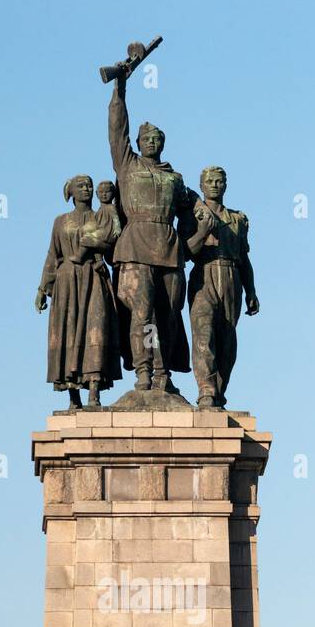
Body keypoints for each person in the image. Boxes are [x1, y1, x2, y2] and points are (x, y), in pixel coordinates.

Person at [107, 72, 192, 392]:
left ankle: (163, 370)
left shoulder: (176, 178)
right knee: (142, 314)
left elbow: (190, 215)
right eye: (146, 139)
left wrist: (191, 241)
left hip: (169, 249)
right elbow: (117, 132)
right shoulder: (128, 165)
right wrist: (120, 90)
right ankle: (144, 370)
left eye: (157, 138)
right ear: (139, 144)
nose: (151, 142)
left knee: (169, 315)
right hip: (135, 246)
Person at [35, 175, 122, 408]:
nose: (86, 189)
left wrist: (97, 249)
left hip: (94, 278)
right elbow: (52, 255)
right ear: (70, 193)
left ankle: (94, 393)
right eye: (81, 186)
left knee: (96, 329)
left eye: (89, 186)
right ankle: (73, 397)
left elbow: (114, 243)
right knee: (69, 332)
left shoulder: (101, 216)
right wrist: (43, 288)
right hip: (66, 282)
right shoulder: (60, 221)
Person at [186, 166, 259, 408]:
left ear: (225, 185)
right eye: (210, 181)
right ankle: (206, 391)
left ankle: (219, 391)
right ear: (202, 186)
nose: (215, 185)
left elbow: (245, 259)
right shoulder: (193, 215)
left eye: (219, 181)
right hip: (203, 276)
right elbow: (186, 252)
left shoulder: (237, 219)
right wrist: (202, 232)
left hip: (231, 278)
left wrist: (251, 291)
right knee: (203, 335)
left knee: (227, 341)